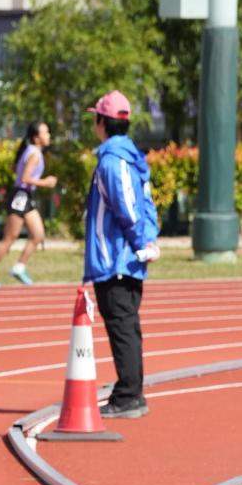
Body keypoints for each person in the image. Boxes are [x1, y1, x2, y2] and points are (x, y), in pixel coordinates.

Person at [83, 90, 160, 419]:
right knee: (128, 325)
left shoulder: (112, 161)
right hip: (127, 258)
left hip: (116, 258)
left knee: (123, 326)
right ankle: (132, 393)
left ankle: (128, 395)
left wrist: (141, 242)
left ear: (102, 122)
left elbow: (127, 208)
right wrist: (148, 240)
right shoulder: (133, 158)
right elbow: (147, 204)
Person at [0, 120, 57, 288]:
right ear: (36, 138)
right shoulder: (34, 154)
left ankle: (19, 267)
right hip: (20, 196)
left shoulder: (31, 151)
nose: (48, 135)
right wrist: (45, 182)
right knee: (10, 238)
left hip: (25, 196)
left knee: (38, 234)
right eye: (45, 132)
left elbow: (15, 169)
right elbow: (25, 178)